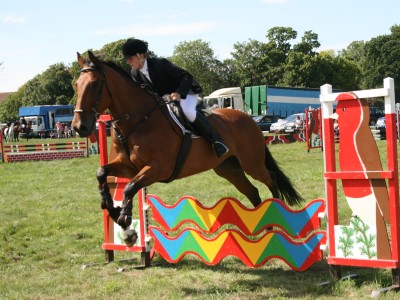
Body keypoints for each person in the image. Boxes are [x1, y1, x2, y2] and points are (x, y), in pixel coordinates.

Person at [122, 38, 229, 157]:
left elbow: (186, 76)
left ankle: (217, 141)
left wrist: (178, 93)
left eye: (130, 58)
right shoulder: (135, 73)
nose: (128, 62)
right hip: (166, 99)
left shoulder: (160, 64)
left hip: (186, 92)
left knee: (187, 111)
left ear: (140, 56)